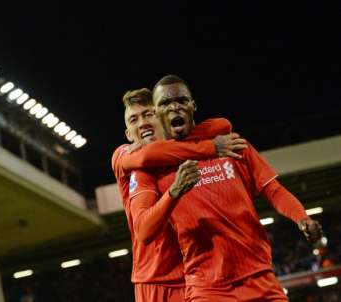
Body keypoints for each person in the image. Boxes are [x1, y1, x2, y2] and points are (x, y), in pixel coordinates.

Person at [128, 75, 323, 302]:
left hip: (259, 278)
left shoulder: (231, 144)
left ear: (193, 105)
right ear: (158, 112)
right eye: (165, 103)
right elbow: (144, 232)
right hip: (208, 289)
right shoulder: (151, 166)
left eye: (181, 100)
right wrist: (174, 192)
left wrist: (302, 218)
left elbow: (273, 189)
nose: (174, 107)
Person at [111, 88, 247, 302]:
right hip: (157, 281)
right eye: (134, 120)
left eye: (148, 114)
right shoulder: (126, 157)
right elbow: (147, 156)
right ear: (128, 134)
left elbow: (222, 124)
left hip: (201, 276)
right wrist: (211, 147)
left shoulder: (183, 147)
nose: (142, 123)